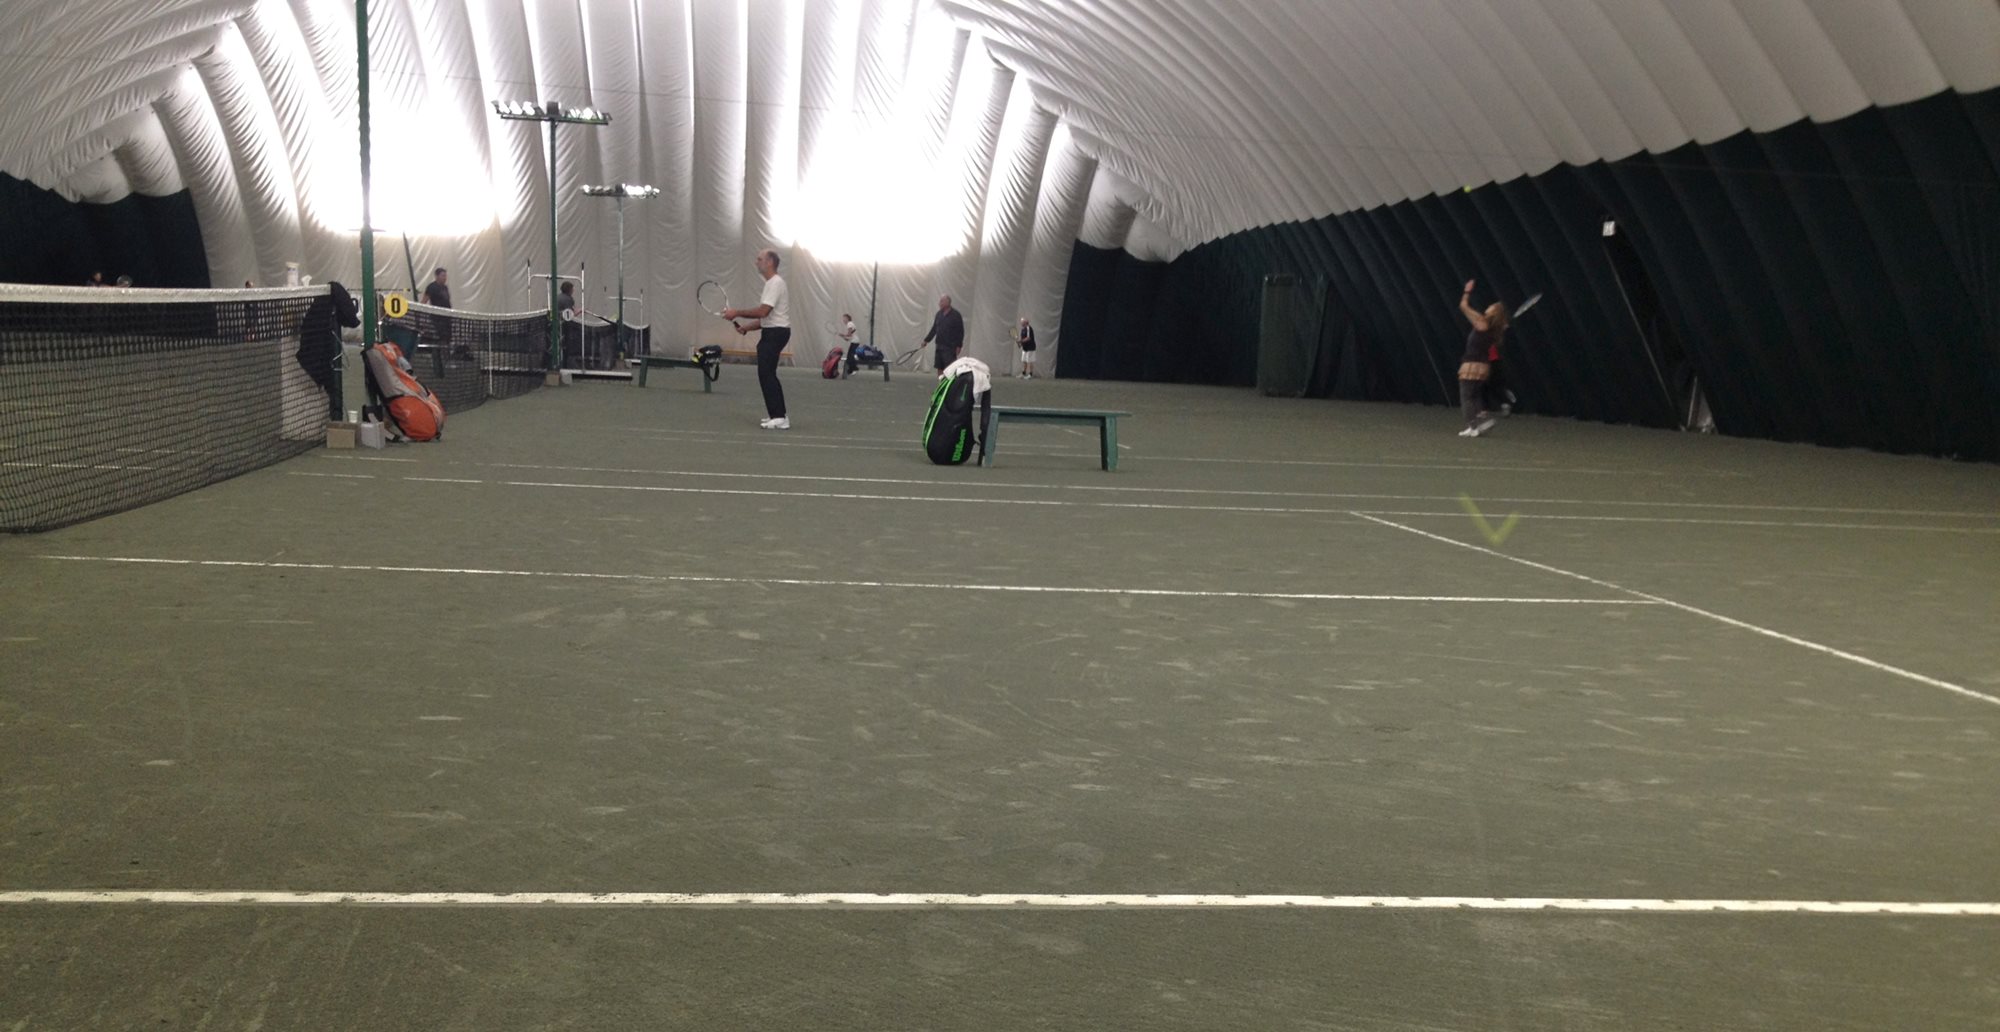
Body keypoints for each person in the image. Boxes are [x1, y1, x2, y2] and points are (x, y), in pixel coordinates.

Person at [722, 248, 793, 429]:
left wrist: (736, 312)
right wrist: (745, 328)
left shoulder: (775, 283)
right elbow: (766, 319)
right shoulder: (771, 284)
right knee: (766, 373)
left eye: (760, 259)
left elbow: (763, 312)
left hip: (776, 333)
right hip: (773, 331)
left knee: (767, 373)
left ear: (770, 262)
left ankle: (779, 417)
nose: (756, 262)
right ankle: (777, 415)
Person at [1455, 279, 1508, 437]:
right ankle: (1481, 422)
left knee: (1466, 396)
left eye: (1492, 307)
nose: (1488, 307)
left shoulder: (1482, 322)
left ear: (1494, 312)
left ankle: (1472, 427)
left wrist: (1467, 292)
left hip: (1472, 364)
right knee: (1475, 395)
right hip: (1484, 366)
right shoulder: (1495, 329)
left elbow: (1463, 307)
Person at [922, 295, 965, 373]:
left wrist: (959, 346)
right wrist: (926, 340)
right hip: (939, 346)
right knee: (939, 367)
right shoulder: (939, 314)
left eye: (942, 301)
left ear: (948, 302)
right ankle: (941, 381)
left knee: (950, 368)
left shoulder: (956, 315)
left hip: (950, 347)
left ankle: (949, 381)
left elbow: (960, 331)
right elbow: (934, 329)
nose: (939, 303)